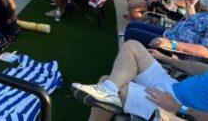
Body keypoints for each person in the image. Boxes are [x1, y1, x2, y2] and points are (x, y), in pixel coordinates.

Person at [71, 40, 208, 120]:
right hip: (173, 86)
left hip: (177, 109)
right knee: (132, 46)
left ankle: (109, 89)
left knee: (108, 83)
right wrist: (166, 58)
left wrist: (179, 109)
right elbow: (200, 69)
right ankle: (108, 89)